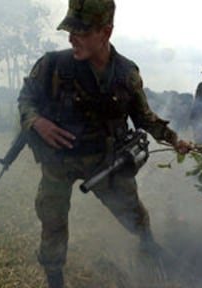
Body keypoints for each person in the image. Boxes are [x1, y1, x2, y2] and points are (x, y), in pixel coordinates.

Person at [17, 0, 192, 287]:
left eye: (82, 32)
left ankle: (148, 245)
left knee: (133, 212)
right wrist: (36, 122)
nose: (72, 38)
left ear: (106, 33)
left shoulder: (126, 73)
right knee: (52, 220)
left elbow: (144, 117)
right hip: (57, 161)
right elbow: (26, 98)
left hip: (105, 161)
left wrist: (174, 140)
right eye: (70, 30)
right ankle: (54, 277)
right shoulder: (52, 65)